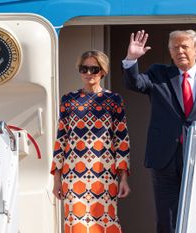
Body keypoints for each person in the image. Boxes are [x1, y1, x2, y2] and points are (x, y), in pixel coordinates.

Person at [122, 30, 196, 233]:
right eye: (175, 47)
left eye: (185, 46)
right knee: (167, 218)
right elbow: (135, 83)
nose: (180, 51)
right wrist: (131, 59)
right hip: (165, 159)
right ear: (170, 53)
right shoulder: (158, 74)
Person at [51, 50, 131, 233]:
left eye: (93, 69)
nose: (88, 73)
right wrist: (56, 178)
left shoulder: (113, 100)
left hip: (104, 173)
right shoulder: (69, 100)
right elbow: (61, 138)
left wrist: (123, 178)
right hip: (73, 174)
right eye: (84, 68)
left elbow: (122, 139)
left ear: (103, 71)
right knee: (75, 223)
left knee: (105, 220)